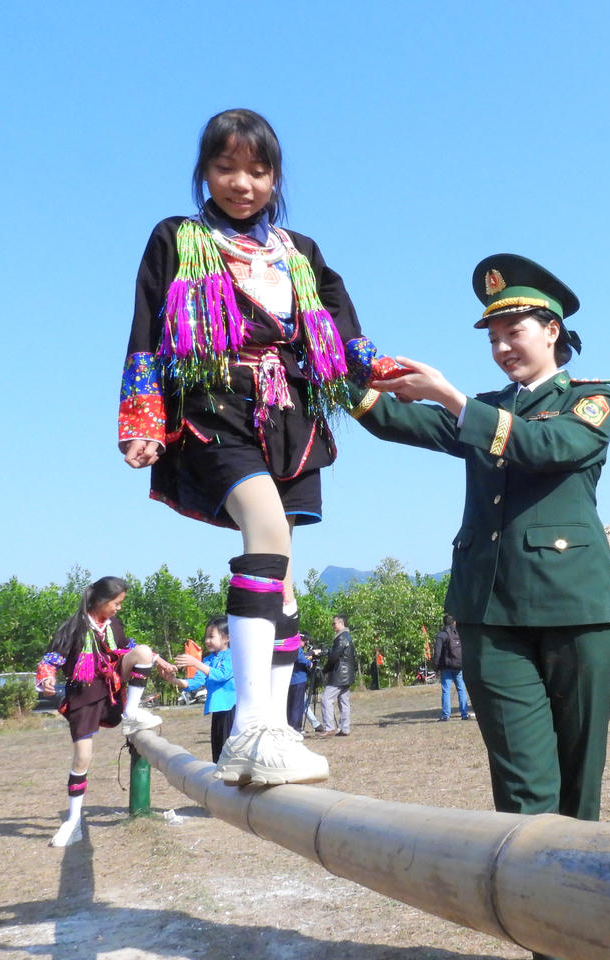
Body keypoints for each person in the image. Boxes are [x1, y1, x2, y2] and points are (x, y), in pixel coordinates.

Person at [349, 253, 610, 834]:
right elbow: (397, 420)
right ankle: (531, 879)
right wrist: (330, 366)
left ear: (551, 331)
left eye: (512, 332)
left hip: (575, 608)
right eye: (493, 338)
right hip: (488, 610)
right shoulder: (487, 409)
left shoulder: (591, 399)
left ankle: (576, 879)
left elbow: (547, 447)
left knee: (578, 780)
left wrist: (452, 398)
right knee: (524, 783)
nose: (501, 348)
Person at [117, 109, 352, 785]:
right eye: (226, 168)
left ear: (276, 177)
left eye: (258, 169)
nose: (242, 183)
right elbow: (145, 327)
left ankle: (278, 726)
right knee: (267, 530)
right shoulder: (178, 237)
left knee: (284, 578)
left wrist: (388, 382)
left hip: (290, 416)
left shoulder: (300, 250)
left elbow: (345, 334)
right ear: (204, 172)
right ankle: (249, 728)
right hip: (213, 407)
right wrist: (140, 418)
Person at [36, 576, 170, 847]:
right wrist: (47, 678)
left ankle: (131, 712)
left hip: (112, 689)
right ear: (100, 600)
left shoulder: (114, 625)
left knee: (143, 651)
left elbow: (130, 647)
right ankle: (73, 821)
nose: (119, 608)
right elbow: (50, 660)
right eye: (116, 603)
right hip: (83, 696)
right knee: (82, 758)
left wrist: (159, 660)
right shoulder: (73, 628)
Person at [170, 616, 235, 763]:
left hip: (231, 709)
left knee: (229, 754)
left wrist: (196, 663)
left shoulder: (232, 656)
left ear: (227, 638)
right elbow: (194, 683)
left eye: (211, 637)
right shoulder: (208, 660)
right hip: (217, 710)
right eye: (206, 637)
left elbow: (221, 675)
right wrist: (172, 679)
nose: (207, 641)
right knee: (218, 753)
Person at [320, 614, 356, 736]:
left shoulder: (341, 638)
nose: (333, 626)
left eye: (334, 623)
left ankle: (329, 727)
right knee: (344, 701)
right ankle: (345, 729)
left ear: (341, 623)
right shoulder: (347, 637)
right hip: (347, 675)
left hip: (339, 675)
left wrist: (325, 669)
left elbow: (333, 657)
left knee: (326, 699)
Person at [433, 614, 472, 721]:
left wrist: (436, 667)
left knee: (446, 691)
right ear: (454, 622)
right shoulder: (459, 633)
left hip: (446, 667)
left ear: (444, 623)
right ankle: (464, 714)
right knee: (461, 689)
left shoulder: (441, 635)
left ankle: (446, 715)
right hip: (458, 666)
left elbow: (437, 653)